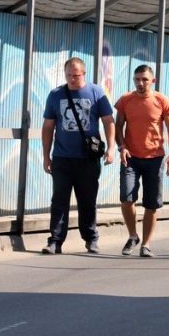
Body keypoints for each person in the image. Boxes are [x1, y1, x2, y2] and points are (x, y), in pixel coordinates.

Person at [41, 56, 115, 254]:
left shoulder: (96, 92)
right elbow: (48, 127)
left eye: (76, 75)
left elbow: (108, 121)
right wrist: (46, 156)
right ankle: (55, 241)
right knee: (59, 200)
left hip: (88, 159)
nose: (72, 79)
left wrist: (111, 148)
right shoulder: (56, 95)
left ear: (84, 74)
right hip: (62, 158)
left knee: (87, 200)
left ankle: (91, 238)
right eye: (69, 75)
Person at [114, 65, 169, 258]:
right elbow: (118, 126)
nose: (140, 83)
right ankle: (133, 236)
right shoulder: (126, 100)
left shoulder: (161, 101)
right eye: (137, 79)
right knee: (127, 198)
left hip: (155, 158)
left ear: (153, 81)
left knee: (151, 204)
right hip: (131, 158)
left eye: (144, 80)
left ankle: (146, 244)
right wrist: (122, 147)